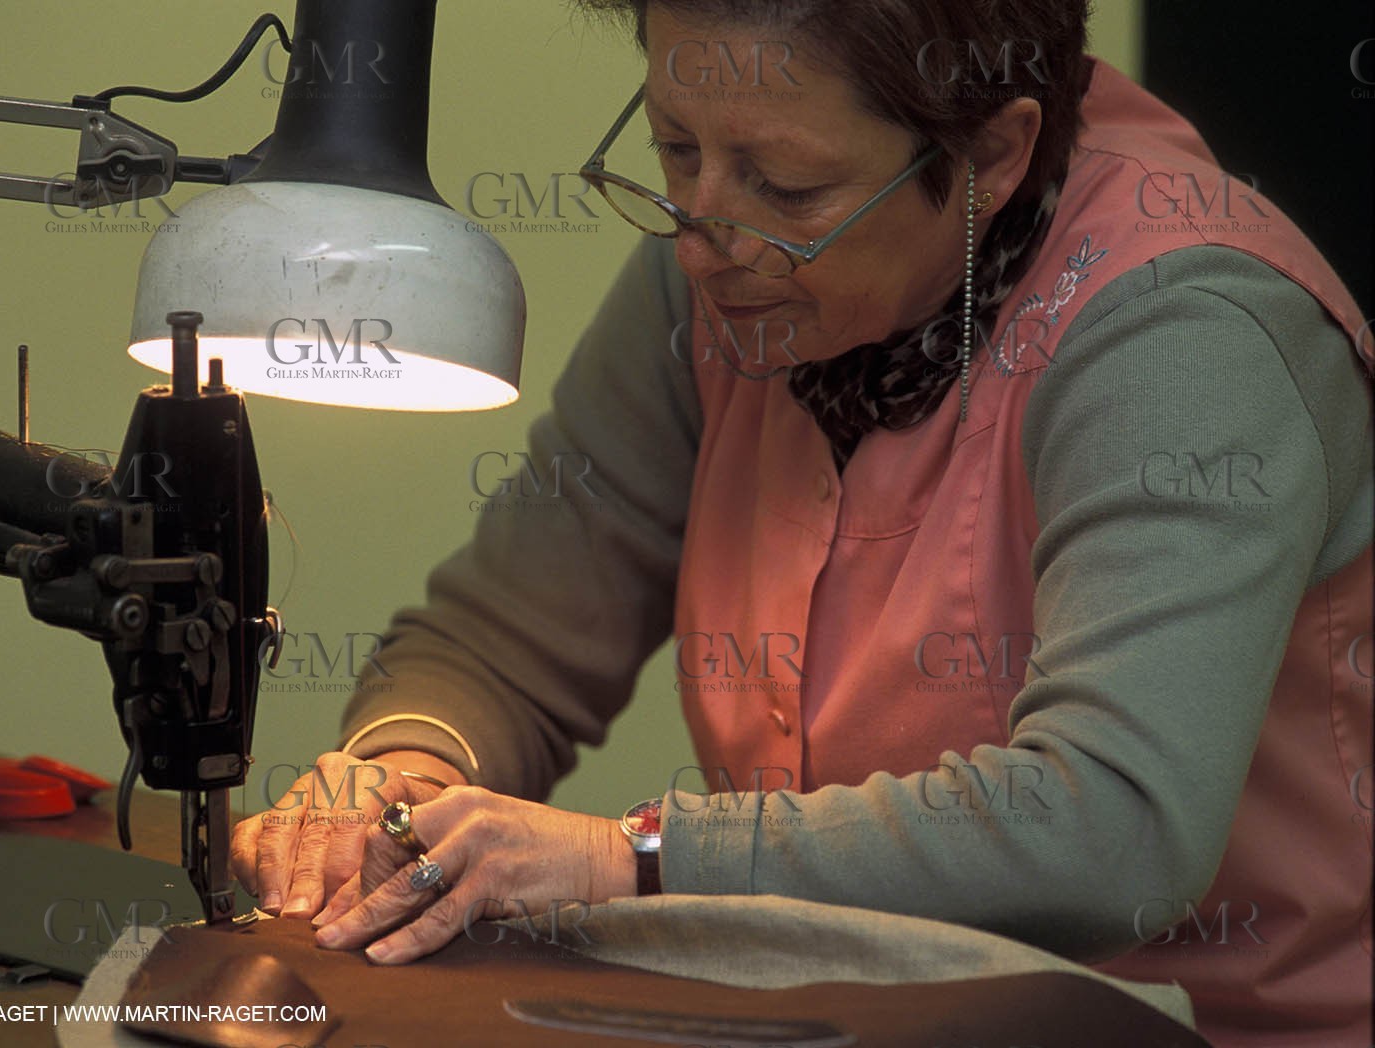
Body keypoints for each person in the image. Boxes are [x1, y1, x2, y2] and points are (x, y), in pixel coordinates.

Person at [232, 2, 1374, 1044]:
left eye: (784, 188)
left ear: (990, 152)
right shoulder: (726, 280)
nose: (697, 237)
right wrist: (399, 776)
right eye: (677, 148)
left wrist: (626, 857)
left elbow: (1110, 825)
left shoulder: (1190, 332)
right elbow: (501, 642)